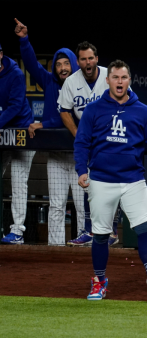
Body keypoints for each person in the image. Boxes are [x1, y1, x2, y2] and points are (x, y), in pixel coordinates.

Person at [74, 60, 147, 300]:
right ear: (107, 81)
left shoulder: (143, 111)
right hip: (101, 180)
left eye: (123, 78)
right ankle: (99, 282)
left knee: (144, 228)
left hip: (133, 180)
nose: (119, 82)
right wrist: (81, 170)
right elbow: (81, 143)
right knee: (100, 235)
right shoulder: (93, 110)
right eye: (115, 78)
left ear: (129, 81)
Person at [14, 18, 86, 246]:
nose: (63, 68)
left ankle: (85, 245)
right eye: (58, 64)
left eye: (66, 63)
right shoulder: (49, 81)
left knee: (82, 205)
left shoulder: (82, 85)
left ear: (73, 64)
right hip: (55, 155)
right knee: (56, 205)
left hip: (78, 156)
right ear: (54, 67)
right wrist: (24, 40)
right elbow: (31, 64)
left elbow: (70, 118)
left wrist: (43, 124)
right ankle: (56, 249)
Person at [57, 40, 119, 246]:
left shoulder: (109, 76)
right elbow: (64, 110)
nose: (88, 62)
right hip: (88, 141)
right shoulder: (71, 82)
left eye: (91, 58)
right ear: (78, 62)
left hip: (110, 139)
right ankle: (91, 231)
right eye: (83, 59)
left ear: (97, 59)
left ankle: (112, 231)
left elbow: (124, 100)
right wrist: (78, 134)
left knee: (111, 184)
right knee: (88, 185)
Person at [0, 41, 35, 245]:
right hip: (3, 131)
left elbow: (14, 107)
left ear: (1, 54)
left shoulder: (15, 74)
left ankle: (17, 231)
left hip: (21, 131)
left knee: (18, 182)